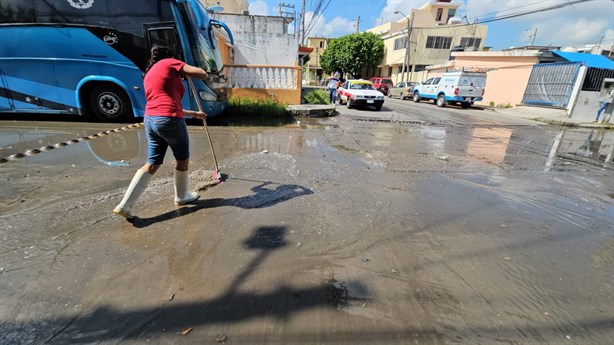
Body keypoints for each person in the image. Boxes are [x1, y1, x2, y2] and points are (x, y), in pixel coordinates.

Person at [113, 45, 208, 219]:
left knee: (152, 163)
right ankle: (181, 196)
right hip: (169, 120)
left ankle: (125, 205)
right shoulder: (170, 63)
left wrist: (194, 114)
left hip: (151, 120)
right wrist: (185, 69)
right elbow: (203, 73)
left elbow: (164, 103)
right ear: (170, 56)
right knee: (183, 159)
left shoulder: (149, 74)